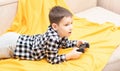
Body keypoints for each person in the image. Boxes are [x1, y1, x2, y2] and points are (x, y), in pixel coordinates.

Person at [0, 6, 88, 64]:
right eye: (67, 25)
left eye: (71, 23)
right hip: (12, 45)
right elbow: (52, 59)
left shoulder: (61, 32)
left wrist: (76, 43)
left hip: (17, 38)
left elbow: (63, 44)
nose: (71, 27)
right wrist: (69, 56)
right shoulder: (52, 38)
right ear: (55, 26)